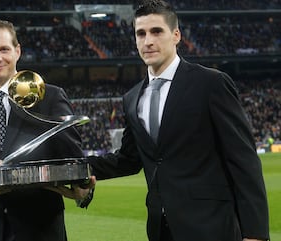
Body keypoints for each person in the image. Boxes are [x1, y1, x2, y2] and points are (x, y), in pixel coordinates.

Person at [86, 1, 270, 241]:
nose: (148, 41)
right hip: (161, 229)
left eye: (156, 31)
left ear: (176, 35)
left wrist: (255, 233)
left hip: (212, 226)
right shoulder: (132, 98)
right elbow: (128, 160)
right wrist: (76, 167)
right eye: (140, 34)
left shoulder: (211, 83)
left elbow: (243, 159)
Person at [0, 19, 94, 241]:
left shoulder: (49, 97)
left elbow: (73, 162)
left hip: (42, 232)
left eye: (4, 49)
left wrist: (83, 188)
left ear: (17, 51)